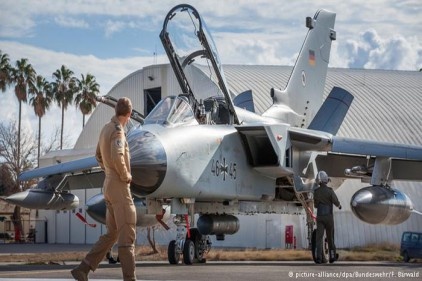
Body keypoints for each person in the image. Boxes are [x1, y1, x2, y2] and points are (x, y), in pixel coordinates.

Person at [71, 97, 137, 281]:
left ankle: (83, 268)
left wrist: (107, 171)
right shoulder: (118, 132)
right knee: (127, 235)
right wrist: (126, 176)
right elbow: (118, 156)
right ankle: (130, 279)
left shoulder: (106, 128)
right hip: (119, 187)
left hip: (107, 185)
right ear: (129, 114)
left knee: (112, 233)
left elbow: (98, 155)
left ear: (116, 111)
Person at [314, 171, 342, 264]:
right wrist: (339, 206)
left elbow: (316, 205)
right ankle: (332, 257)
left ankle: (318, 258)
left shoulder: (316, 192)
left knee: (319, 238)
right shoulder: (330, 191)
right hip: (329, 217)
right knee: (330, 238)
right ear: (326, 180)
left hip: (320, 217)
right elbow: (336, 201)